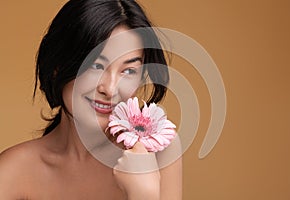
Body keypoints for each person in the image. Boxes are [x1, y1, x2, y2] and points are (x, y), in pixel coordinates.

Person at [0, 0, 182, 199]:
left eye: (129, 70)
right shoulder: (15, 171)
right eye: (96, 66)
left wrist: (143, 193)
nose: (110, 89)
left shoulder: (158, 150)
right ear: (58, 67)